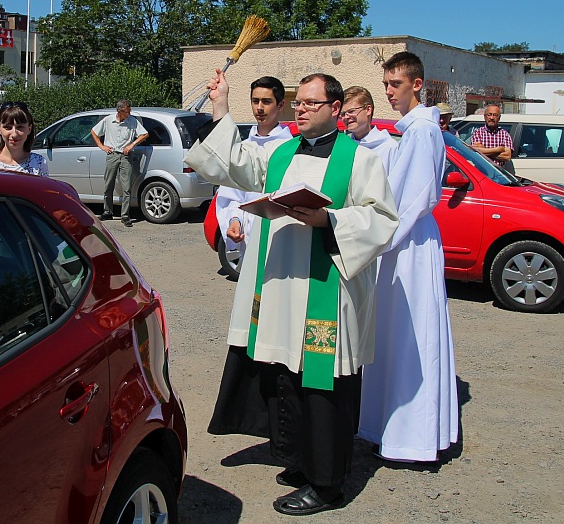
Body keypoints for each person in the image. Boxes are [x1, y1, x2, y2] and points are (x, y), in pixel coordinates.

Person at [184, 70, 398, 516]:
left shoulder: (359, 160)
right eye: (297, 103)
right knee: (289, 377)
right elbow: (231, 164)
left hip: (327, 291)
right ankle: (302, 460)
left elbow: (382, 221)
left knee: (323, 387)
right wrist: (222, 106)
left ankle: (327, 484)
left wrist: (330, 222)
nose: (299, 109)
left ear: (336, 110)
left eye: (310, 103)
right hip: (282, 288)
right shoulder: (280, 155)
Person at [358, 51, 459, 463]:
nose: (388, 92)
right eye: (385, 85)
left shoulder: (421, 132)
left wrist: (373, 240)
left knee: (410, 335)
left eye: (394, 85)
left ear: (417, 84)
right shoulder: (415, 129)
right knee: (395, 332)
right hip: (403, 241)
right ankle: (389, 425)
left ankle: (411, 436)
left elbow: (412, 198)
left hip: (409, 244)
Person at [215, 76, 293, 261]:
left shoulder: (292, 149)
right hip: (250, 242)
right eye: (255, 101)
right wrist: (234, 220)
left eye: (266, 101)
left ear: (280, 105)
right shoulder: (243, 148)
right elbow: (233, 195)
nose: (259, 107)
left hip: (283, 240)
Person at [91, 100, 148, 227]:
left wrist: (132, 144)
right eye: (127, 111)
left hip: (126, 156)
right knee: (108, 184)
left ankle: (125, 215)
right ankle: (107, 211)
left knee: (126, 186)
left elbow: (144, 134)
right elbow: (94, 131)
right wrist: (101, 145)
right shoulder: (108, 120)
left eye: (129, 111)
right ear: (119, 111)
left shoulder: (132, 121)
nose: (129, 113)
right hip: (112, 154)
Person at [0, 101, 49, 176]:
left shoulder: (38, 162)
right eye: (8, 127)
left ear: (29, 129)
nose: (14, 134)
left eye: (20, 127)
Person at [341, 86, 397, 173]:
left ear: (368, 110)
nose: (346, 117)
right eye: (343, 114)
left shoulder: (388, 147)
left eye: (351, 111)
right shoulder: (344, 146)